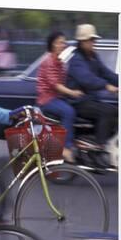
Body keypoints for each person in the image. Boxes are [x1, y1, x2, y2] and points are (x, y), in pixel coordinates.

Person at [66, 24, 119, 162]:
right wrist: (107, 86)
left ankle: (103, 140)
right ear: (82, 42)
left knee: (117, 112)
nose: (93, 43)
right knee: (107, 111)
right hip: (78, 102)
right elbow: (87, 79)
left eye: (94, 40)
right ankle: (99, 147)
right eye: (90, 40)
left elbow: (106, 73)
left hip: (90, 99)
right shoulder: (76, 60)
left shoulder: (93, 57)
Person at [36, 31, 84, 163]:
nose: (64, 45)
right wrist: (72, 92)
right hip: (47, 99)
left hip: (57, 97)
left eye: (64, 42)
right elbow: (56, 85)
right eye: (60, 42)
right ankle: (66, 147)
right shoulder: (49, 61)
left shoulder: (59, 61)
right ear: (53, 45)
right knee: (68, 111)